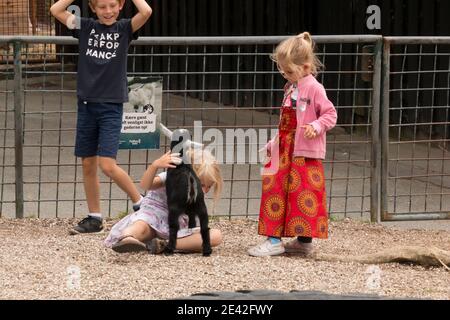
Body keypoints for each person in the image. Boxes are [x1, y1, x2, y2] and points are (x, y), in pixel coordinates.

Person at [50, 0, 152, 234]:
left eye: (112, 6)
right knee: (88, 163)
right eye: (102, 7)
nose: (108, 11)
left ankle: (140, 203)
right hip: (86, 105)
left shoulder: (125, 29)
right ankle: (95, 218)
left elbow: (146, 11)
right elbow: (55, 10)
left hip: (111, 106)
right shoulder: (84, 27)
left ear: (120, 5)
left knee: (107, 165)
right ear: (93, 8)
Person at [248, 32, 337, 257]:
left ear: (306, 68)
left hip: (303, 151)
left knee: (303, 193)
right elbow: (286, 122)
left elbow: (330, 114)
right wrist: (274, 143)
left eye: (288, 71)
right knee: (276, 189)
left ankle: (300, 241)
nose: (284, 75)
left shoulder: (314, 88)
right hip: (285, 148)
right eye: (282, 70)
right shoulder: (291, 87)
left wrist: (315, 126)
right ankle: (275, 239)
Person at [104, 149, 224, 254]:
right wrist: (154, 166)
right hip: (152, 216)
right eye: (202, 185)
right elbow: (146, 184)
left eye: (209, 186)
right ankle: (127, 238)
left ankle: (163, 245)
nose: (205, 190)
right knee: (141, 225)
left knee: (215, 236)